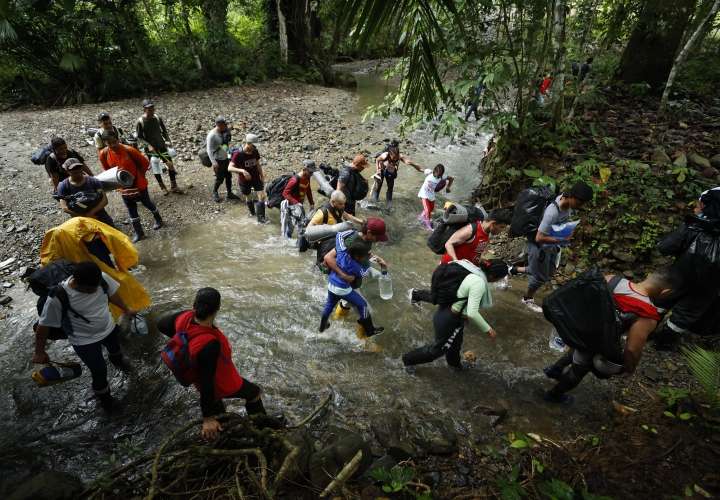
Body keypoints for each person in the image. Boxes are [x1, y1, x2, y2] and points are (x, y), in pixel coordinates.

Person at [543, 269, 677, 404]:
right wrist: (629, 368)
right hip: (597, 341)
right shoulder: (648, 315)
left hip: (578, 328)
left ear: (648, 275)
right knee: (579, 370)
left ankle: (555, 369)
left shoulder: (612, 280)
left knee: (578, 349)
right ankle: (554, 395)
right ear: (665, 293)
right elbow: (632, 349)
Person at [157, 288, 266, 440]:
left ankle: (224, 430)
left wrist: (184, 343)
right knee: (254, 393)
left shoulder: (184, 317)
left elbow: (161, 324)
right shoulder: (210, 343)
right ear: (218, 308)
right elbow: (208, 383)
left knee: (217, 408)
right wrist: (207, 418)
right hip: (222, 382)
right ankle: (264, 431)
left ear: (194, 305)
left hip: (199, 377)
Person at [32, 261, 135, 412]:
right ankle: (106, 401)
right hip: (84, 341)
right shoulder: (58, 296)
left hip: (109, 327)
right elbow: (43, 326)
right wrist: (39, 352)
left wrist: (126, 309)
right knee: (99, 371)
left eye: (95, 288)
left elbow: (113, 295)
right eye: (88, 289)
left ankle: (119, 363)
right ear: (76, 282)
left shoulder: (101, 279)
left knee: (116, 350)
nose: (94, 291)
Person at [402, 259, 508, 372]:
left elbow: (465, 301)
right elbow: (472, 312)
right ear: (494, 276)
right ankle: (408, 360)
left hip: (452, 313)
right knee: (437, 350)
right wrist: (488, 329)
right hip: (449, 319)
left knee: (454, 345)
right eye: (501, 278)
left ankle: (456, 367)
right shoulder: (479, 283)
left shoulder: (473, 272)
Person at [653, 187, 720, 348]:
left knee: (659, 303)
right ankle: (663, 344)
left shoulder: (693, 227)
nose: (697, 207)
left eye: (700, 204)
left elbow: (665, 247)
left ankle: (643, 330)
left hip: (677, 278)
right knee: (684, 316)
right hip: (707, 288)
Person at [512, 181, 593, 313]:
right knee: (540, 277)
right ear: (571, 196)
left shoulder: (567, 203)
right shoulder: (552, 213)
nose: (580, 206)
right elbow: (539, 237)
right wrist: (561, 239)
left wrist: (566, 230)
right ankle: (527, 298)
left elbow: (561, 222)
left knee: (548, 272)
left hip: (550, 245)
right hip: (538, 246)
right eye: (579, 203)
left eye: (582, 204)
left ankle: (512, 269)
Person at [320, 221, 389, 337]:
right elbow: (363, 272)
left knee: (330, 304)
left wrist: (368, 256)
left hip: (333, 283)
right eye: (377, 237)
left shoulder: (344, 252)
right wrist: (345, 274)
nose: (378, 240)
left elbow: (340, 237)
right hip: (345, 286)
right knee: (364, 307)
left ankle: (325, 323)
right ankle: (367, 335)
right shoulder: (354, 257)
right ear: (369, 232)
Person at [99, 129, 163, 242]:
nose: (113, 145)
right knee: (131, 208)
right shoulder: (104, 154)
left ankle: (159, 220)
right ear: (105, 143)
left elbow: (145, 163)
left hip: (138, 183)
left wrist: (139, 176)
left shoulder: (129, 150)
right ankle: (139, 233)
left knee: (146, 202)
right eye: (109, 143)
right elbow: (107, 170)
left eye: (115, 141)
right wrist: (117, 182)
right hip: (123, 185)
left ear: (118, 139)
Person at [135, 99, 183, 194]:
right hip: (150, 149)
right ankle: (162, 187)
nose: (152, 110)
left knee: (170, 164)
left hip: (161, 145)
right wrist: (148, 145)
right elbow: (139, 137)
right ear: (144, 109)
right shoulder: (140, 121)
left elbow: (164, 131)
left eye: (152, 108)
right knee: (156, 165)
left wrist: (168, 141)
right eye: (149, 109)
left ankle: (174, 185)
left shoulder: (157, 117)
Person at [440, 208, 512, 264]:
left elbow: (475, 252)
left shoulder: (488, 234)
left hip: (462, 270)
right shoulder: (470, 230)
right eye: (501, 227)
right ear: (493, 224)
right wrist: (456, 262)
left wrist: (482, 262)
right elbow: (448, 244)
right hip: (447, 267)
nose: (502, 231)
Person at [56, 158, 114, 227]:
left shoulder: (93, 181)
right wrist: (84, 216)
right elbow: (64, 207)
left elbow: (104, 200)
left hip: (99, 214)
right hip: (79, 218)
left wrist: (91, 213)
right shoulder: (63, 186)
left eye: (79, 168)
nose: (78, 172)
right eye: (74, 171)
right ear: (67, 171)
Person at [371, 142, 424, 210]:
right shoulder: (385, 155)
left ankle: (388, 205)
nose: (395, 158)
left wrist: (421, 170)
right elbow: (377, 159)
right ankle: (374, 202)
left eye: (396, 156)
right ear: (390, 154)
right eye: (393, 157)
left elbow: (410, 163)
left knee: (390, 188)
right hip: (381, 168)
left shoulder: (400, 156)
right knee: (379, 185)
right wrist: (378, 170)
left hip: (390, 171)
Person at [228, 134, 268, 222]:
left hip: (256, 177)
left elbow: (257, 164)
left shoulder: (255, 151)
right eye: (253, 145)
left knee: (262, 196)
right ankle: (252, 214)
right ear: (248, 143)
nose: (255, 147)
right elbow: (230, 168)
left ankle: (261, 219)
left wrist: (261, 175)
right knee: (249, 197)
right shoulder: (238, 154)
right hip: (244, 180)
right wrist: (242, 171)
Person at [207, 116, 239, 203]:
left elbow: (225, 145)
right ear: (219, 125)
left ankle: (229, 193)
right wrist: (214, 162)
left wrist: (229, 156)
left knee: (229, 177)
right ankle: (215, 192)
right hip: (218, 160)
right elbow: (208, 150)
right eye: (224, 124)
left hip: (226, 158)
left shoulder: (223, 131)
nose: (226, 125)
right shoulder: (212, 135)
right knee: (220, 178)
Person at [281, 160, 316, 239]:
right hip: (290, 206)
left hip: (298, 206)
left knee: (301, 224)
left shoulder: (307, 177)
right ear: (305, 169)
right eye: (310, 172)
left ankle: (300, 242)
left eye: (312, 172)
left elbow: (308, 189)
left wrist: (311, 203)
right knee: (290, 227)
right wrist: (296, 203)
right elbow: (285, 193)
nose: (312, 174)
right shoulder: (295, 180)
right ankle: (286, 242)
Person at [417, 164, 454, 230]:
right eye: (438, 173)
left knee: (431, 209)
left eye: (441, 174)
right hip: (424, 194)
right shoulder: (429, 172)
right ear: (434, 171)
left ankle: (421, 217)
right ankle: (428, 226)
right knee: (427, 210)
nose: (439, 175)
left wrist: (448, 187)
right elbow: (419, 169)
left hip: (431, 194)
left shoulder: (442, 177)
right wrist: (411, 163)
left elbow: (451, 178)